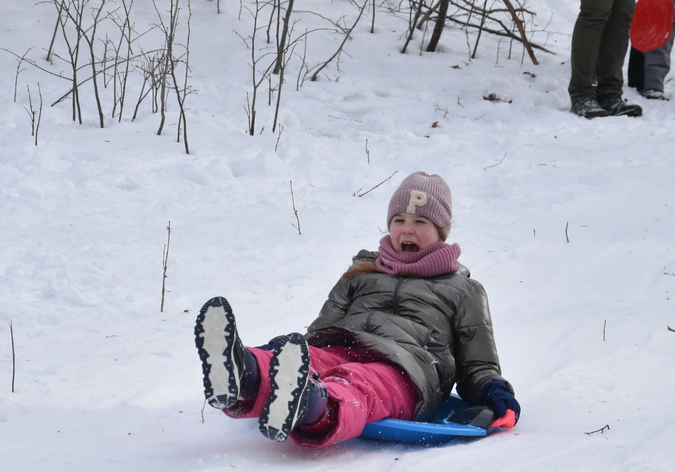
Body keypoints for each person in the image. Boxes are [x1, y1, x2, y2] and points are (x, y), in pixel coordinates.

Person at [193, 172, 520, 448]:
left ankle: (310, 403)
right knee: (309, 356)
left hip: (407, 371)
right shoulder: (363, 271)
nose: (406, 229)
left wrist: (495, 392)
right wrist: (285, 354)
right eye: (399, 220)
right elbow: (322, 330)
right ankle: (244, 372)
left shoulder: (464, 291)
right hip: (344, 347)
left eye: (420, 221)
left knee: (361, 382)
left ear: (441, 232)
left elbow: (478, 364)